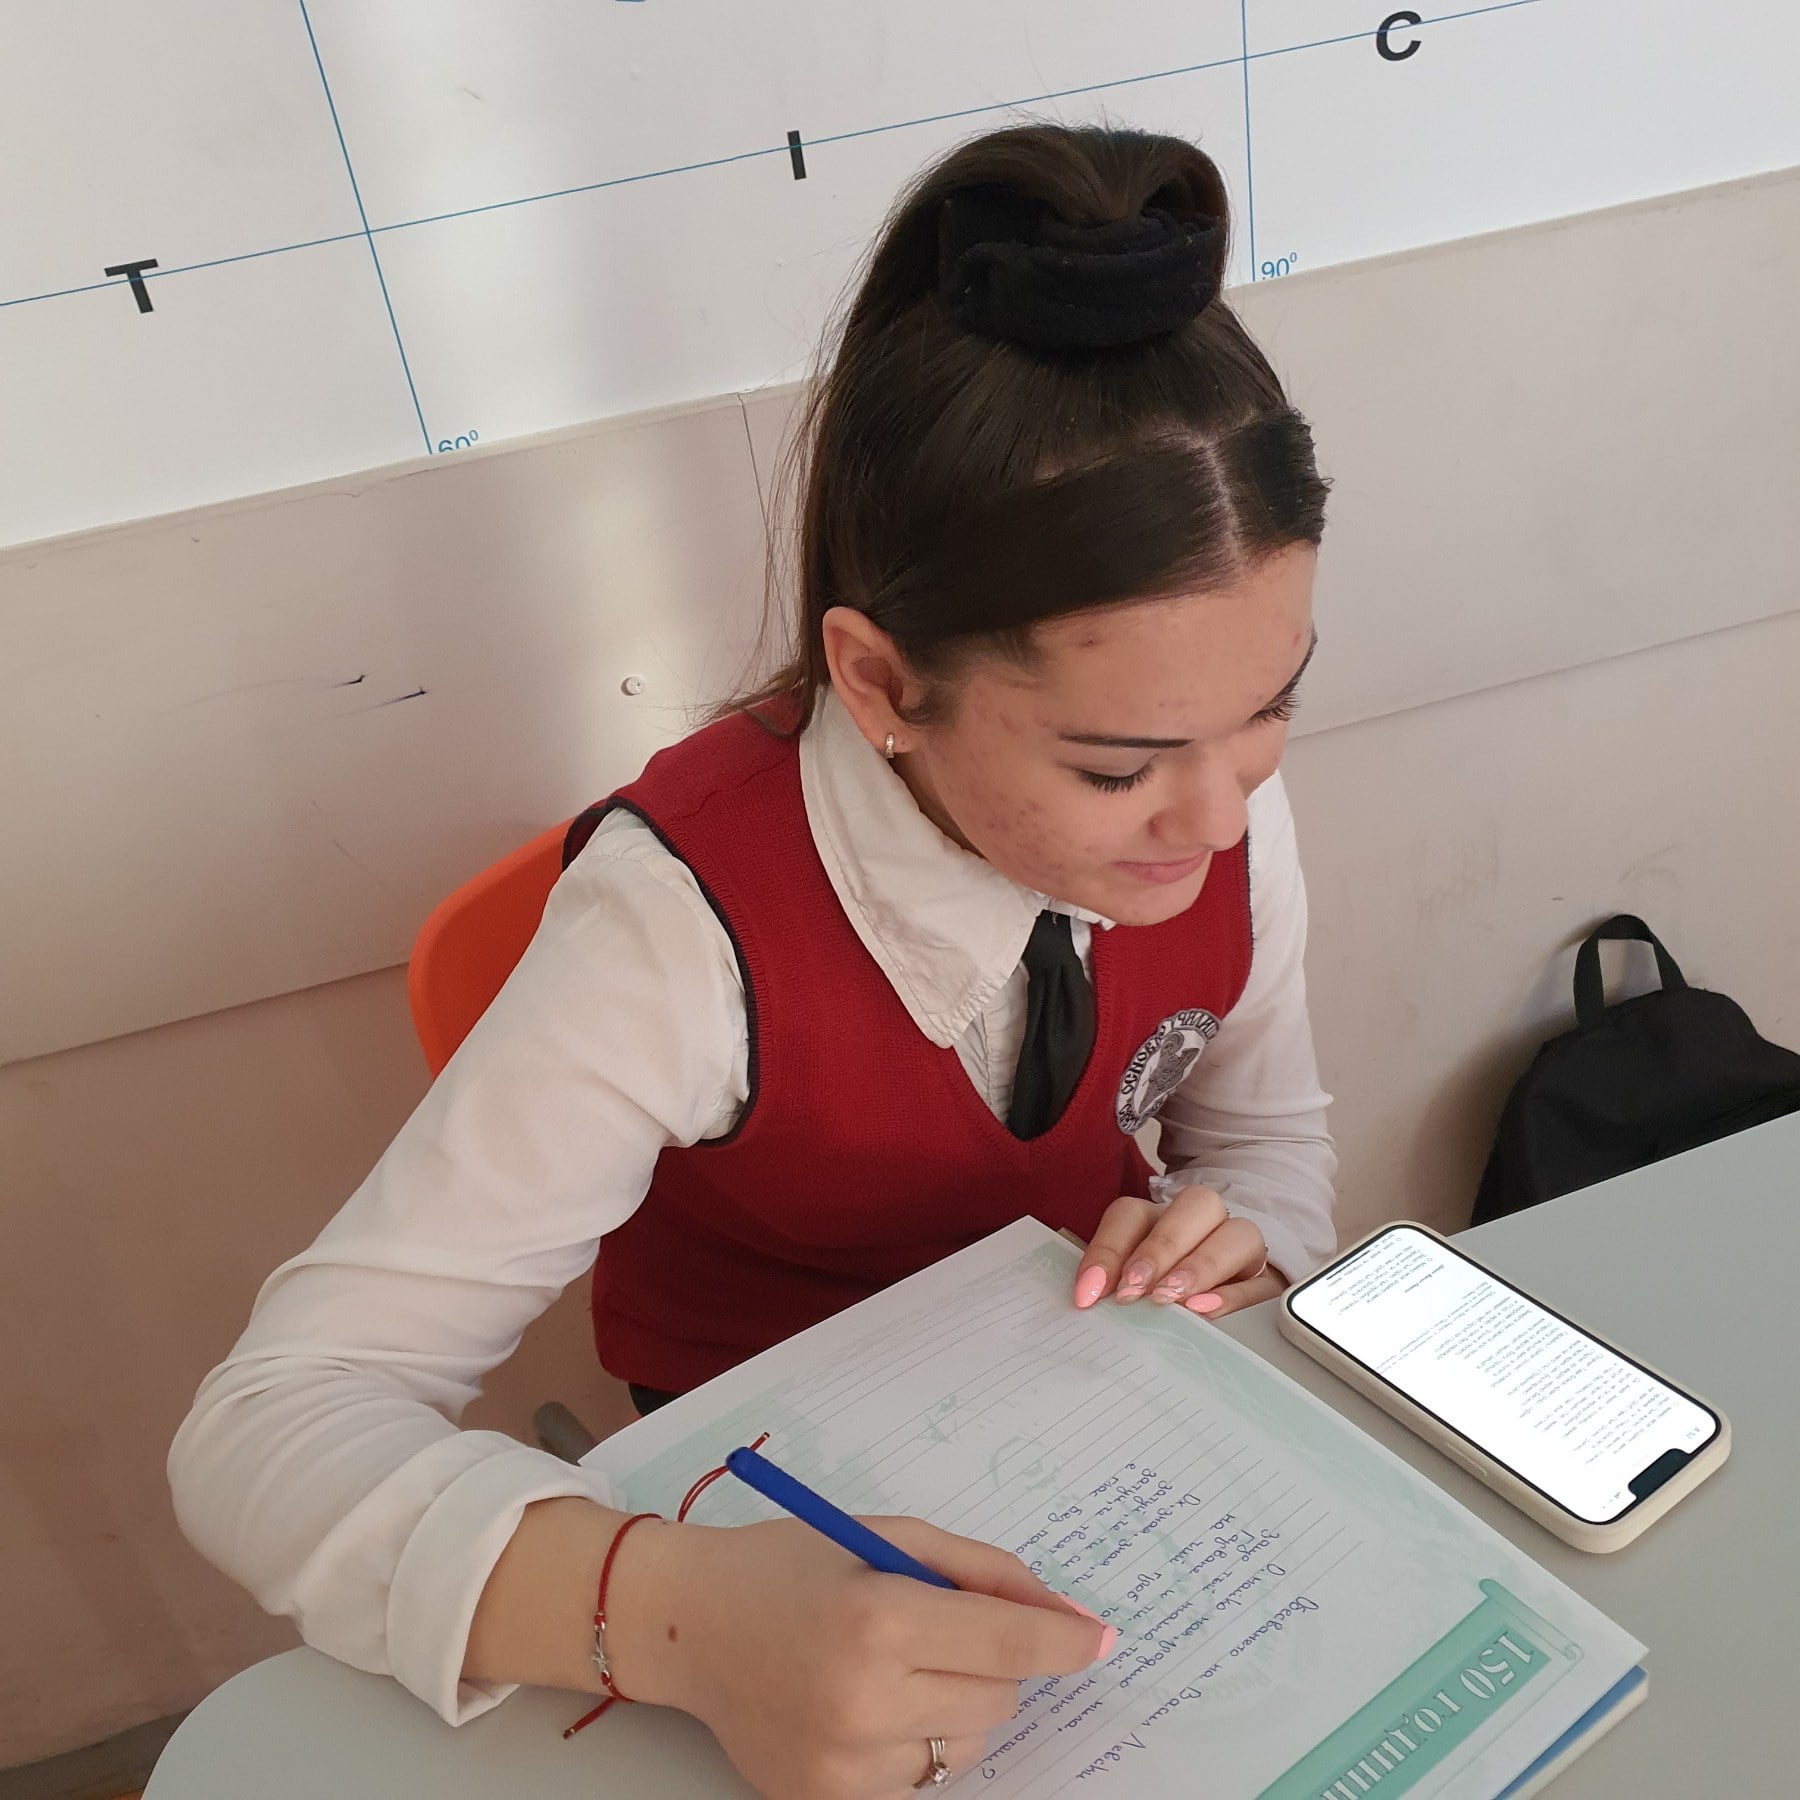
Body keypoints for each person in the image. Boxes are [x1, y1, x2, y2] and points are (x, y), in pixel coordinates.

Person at [171, 121, 1337, 1799]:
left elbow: (1269, 1146)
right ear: (879, 685)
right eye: (1116, 766)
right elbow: (276, 1418)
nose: (1218, 815)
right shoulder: (677, 928)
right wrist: (674, 1618)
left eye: (1273, 709)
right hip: (771, 1508)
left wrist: (1242, 1240)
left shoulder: (1212, 797)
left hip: (1098, 1447)